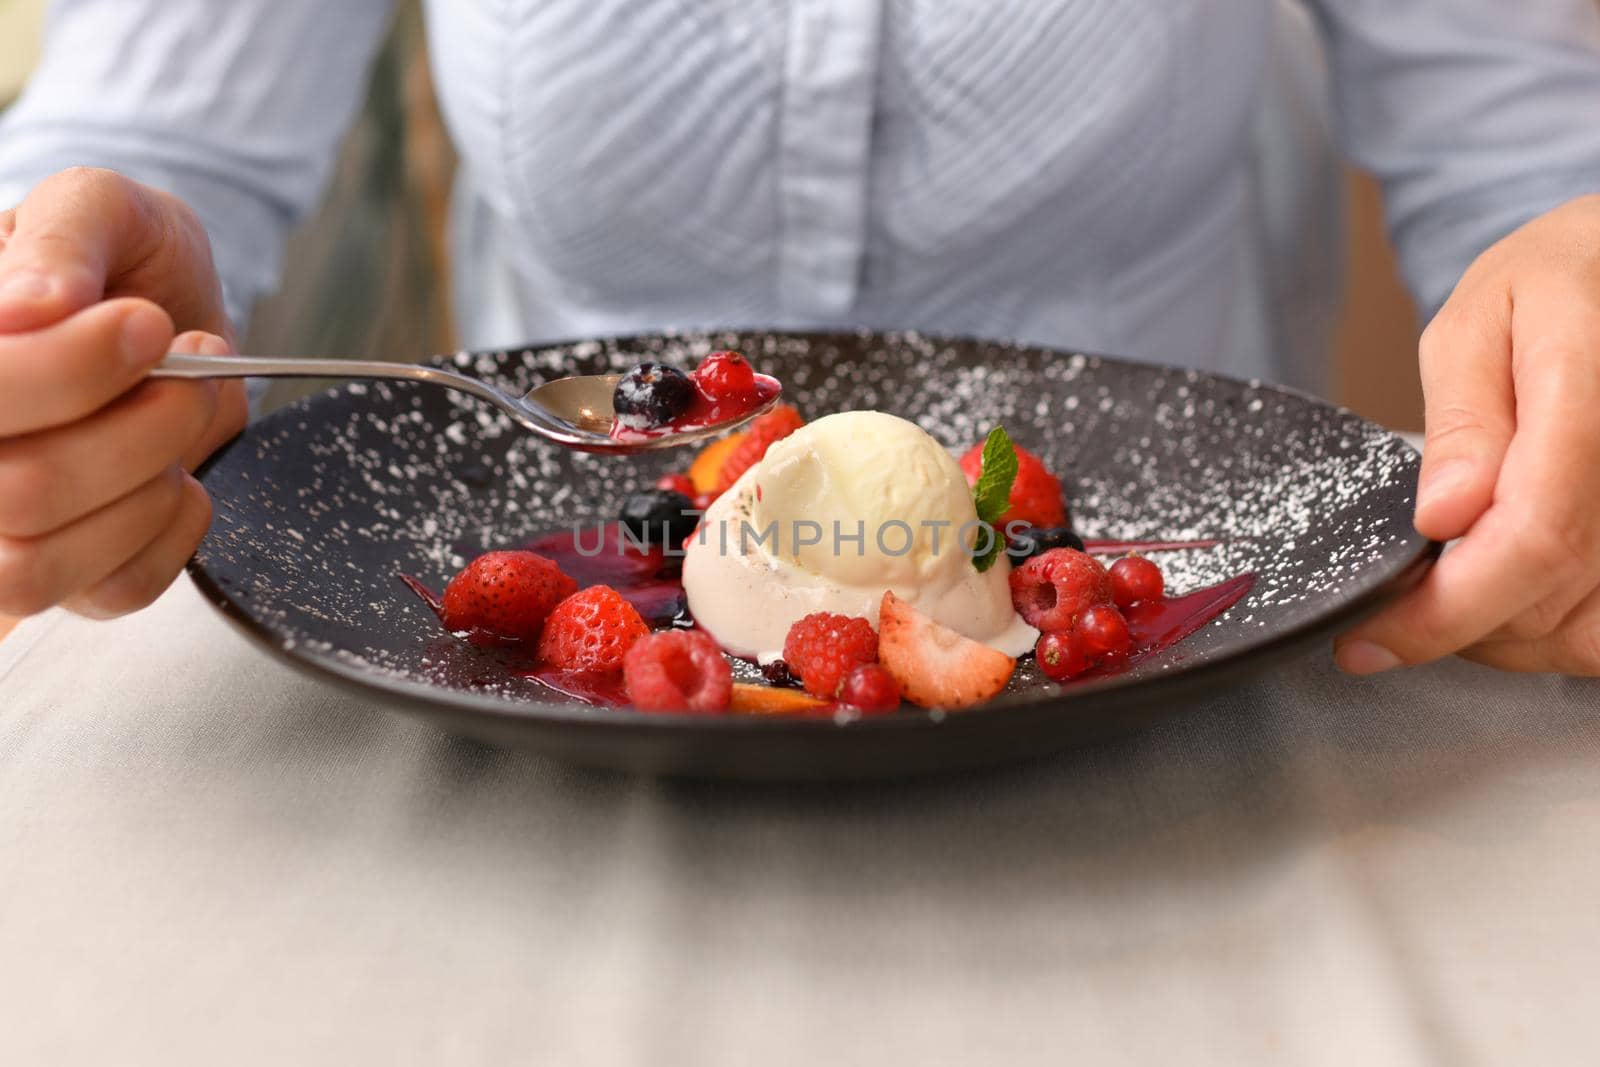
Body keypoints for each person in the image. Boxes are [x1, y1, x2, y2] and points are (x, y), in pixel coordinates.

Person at [0, 0, 1597, 676]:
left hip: (1176, 704)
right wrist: (74, 308)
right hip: (537, 722)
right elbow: (150, 137)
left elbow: (1534, 145)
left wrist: (1570, 283)